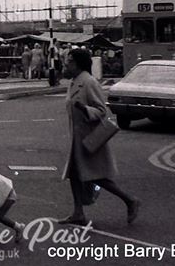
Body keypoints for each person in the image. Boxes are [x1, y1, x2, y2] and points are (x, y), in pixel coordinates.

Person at [59, 48, 140, 225]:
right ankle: (78, 213)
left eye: (70, 61)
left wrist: (84, 109)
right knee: (74, 174)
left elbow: (102, 110)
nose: (66, 63)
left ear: (78, 63)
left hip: (90, 139)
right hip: (77, 138)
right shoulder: (74, 82)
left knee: (96, 176)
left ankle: (130, 200)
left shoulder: (88, 82)